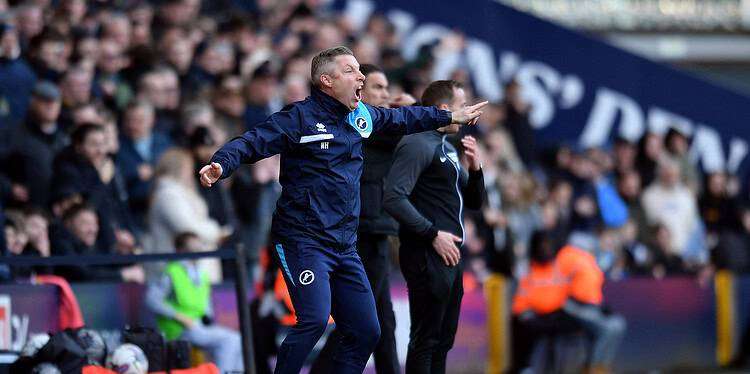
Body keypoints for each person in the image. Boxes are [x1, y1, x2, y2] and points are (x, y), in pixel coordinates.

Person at [199, 46, 486, 374]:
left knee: (367, 330)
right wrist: (222, 161)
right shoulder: (299, 118)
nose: (360, 75)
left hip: (344, 246)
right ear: (326, 80)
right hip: (302, 240)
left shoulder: (360, 116)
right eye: (350, 70)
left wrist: (448, 116)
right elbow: (252, 141)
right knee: (314, 321)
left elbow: (403, 118)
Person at [310, 63, 414, 374]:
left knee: (381, 320)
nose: (386, 94)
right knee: (361, 321)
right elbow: (393, 138)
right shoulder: (355, 125)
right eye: (378, 87)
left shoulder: (376, 126)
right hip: (361, 235)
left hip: (373, 231)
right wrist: (412, 114)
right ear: (360, 92)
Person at [383, 80, 486, 373]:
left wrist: (476, 168)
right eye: (461, 105)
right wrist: (431, 234)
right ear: (443, 109)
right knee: (425, 341)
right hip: (426, 253)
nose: (466, 111)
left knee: (442, 342)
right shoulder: (417, 142)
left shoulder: (447, 148)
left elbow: (476, 202)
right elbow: (393, 197)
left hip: (451, 255)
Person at [146, 231, 243, 373]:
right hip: (179, 328)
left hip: (198, 326)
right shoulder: (173, 270)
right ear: (180, 250)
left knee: (236, 340)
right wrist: (178, 315)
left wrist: (208, 320)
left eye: (199, 247)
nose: (197, 251)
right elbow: (151, 299)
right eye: (192, 248)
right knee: (230, 340)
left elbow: (205, 306)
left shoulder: (201, 274)